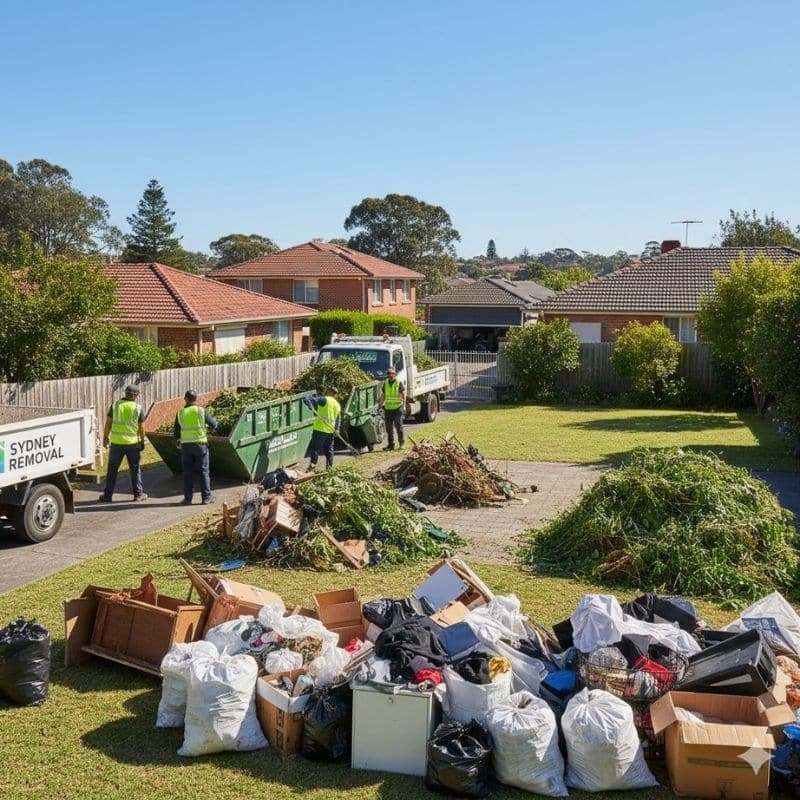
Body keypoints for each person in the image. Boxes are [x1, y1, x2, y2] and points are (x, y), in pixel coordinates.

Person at [99, 384, 147, 503]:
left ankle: (108, 495)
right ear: (135, 395)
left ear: (125, 393)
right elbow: (141, 427)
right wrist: (142, 440)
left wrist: (105, 438)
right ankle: (138, 494)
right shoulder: (137, 408)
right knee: (135, 469)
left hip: (116, 443)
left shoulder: (115, 406)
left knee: (112, 470)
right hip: (132, 444)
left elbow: (108, 423)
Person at [173, 389, 218, 505]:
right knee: (203, 471)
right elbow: (214, 424)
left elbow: (176, 432)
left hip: (186, 446)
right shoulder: (201, 411)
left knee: (187, 473)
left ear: (185, 399)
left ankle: (188, 499)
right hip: (200, 445)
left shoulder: (180, 413)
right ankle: (206, 498)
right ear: (196, 399)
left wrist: (177, 442)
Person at [304, 387, 341, 470]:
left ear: (330, 392)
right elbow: (338, 419)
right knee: (329, 451)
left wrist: (307, 398)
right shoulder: (337, 405)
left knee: (315, 449)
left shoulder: (325, 399)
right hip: (330, 431)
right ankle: (329, 468)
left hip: (320, 430)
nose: (326, 392)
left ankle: (312, 467)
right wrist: (337, 429)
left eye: (327, 391)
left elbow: (310, 400)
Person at [380, 366, 406, 451]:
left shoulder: (398, 382)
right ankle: (391, 445)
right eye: (388, 373)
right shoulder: (386, 383)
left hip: (397, 408)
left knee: (399, 426)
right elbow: (383, 395)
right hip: (388, 409)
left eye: (392, 373)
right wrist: (380, 405)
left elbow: (403, 393)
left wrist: (404, 404)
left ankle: (401, 443)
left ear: (394, 374)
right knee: (389, 428)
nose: (390, 375)